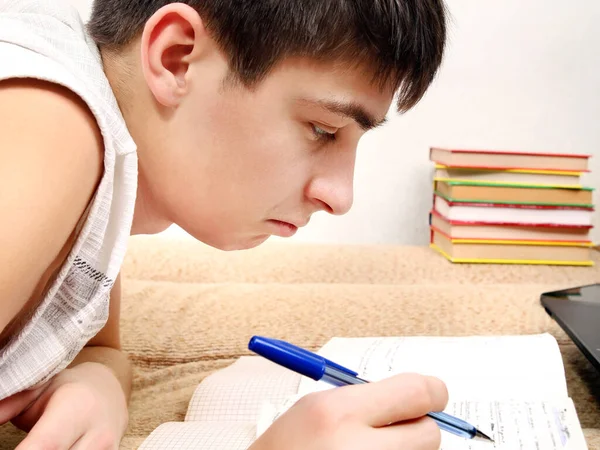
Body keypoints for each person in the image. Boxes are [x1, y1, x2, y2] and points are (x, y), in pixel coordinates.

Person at [0, 0, 448, 448]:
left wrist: (97, 384)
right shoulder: (52, 128)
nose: (339, 196)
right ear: (176, 58)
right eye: (322, 129)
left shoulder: (102, 168)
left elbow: (100, 348)